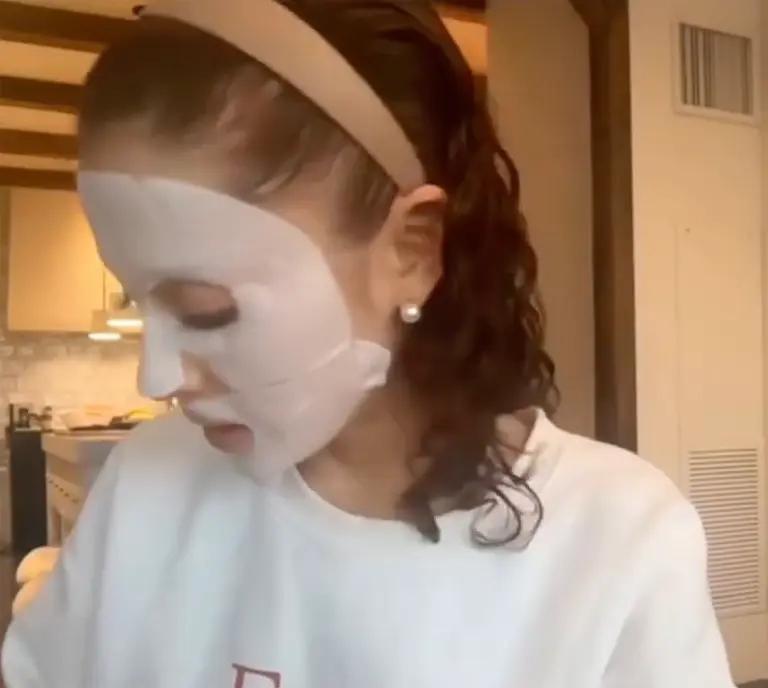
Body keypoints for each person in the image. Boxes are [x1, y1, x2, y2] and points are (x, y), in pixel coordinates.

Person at [1, 1, 735, 686]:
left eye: (207, 311)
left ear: (410, 250)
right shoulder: (146, 486)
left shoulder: (617, 541)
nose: (155, 378)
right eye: (140, 299)